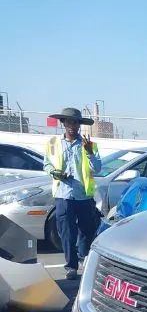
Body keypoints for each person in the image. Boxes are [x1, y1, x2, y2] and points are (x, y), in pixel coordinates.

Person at [43, 107, 102, 279]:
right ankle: (71, 266)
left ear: (79, 125)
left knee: (87, 230)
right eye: (69, 122)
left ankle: (84, 257)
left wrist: (90, 152)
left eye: (75, 122)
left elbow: (97, 168)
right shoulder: (53, 143)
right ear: (63, 123)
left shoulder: (89, 144)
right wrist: (54, 173)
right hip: (63, 194)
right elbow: (46, 165)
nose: (72, 125)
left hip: (83, 195)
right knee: (67, 231)